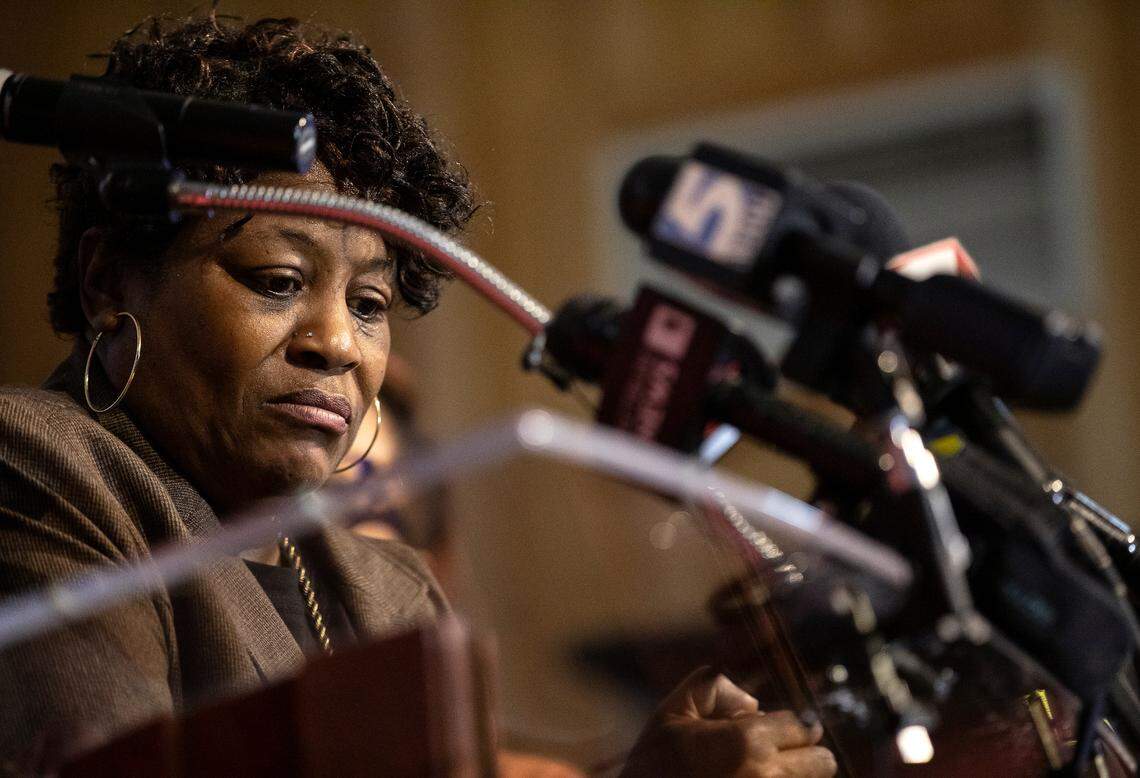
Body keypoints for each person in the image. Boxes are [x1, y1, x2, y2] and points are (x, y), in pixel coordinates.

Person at [0, 12, 835, 777]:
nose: (335, 344)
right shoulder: (37, 465)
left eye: (369, 306)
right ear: (109, 280)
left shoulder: (384, 587)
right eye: (277, 279)